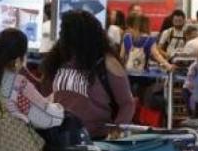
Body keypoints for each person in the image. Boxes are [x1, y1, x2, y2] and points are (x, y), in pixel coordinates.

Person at [42, 10, 136, 138]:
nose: (61, 34)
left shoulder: (107, 62)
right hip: (61, 137)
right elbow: (45, 90)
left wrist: (117, 130)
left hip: (96, 140)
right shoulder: (60, 58)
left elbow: (127, 103)